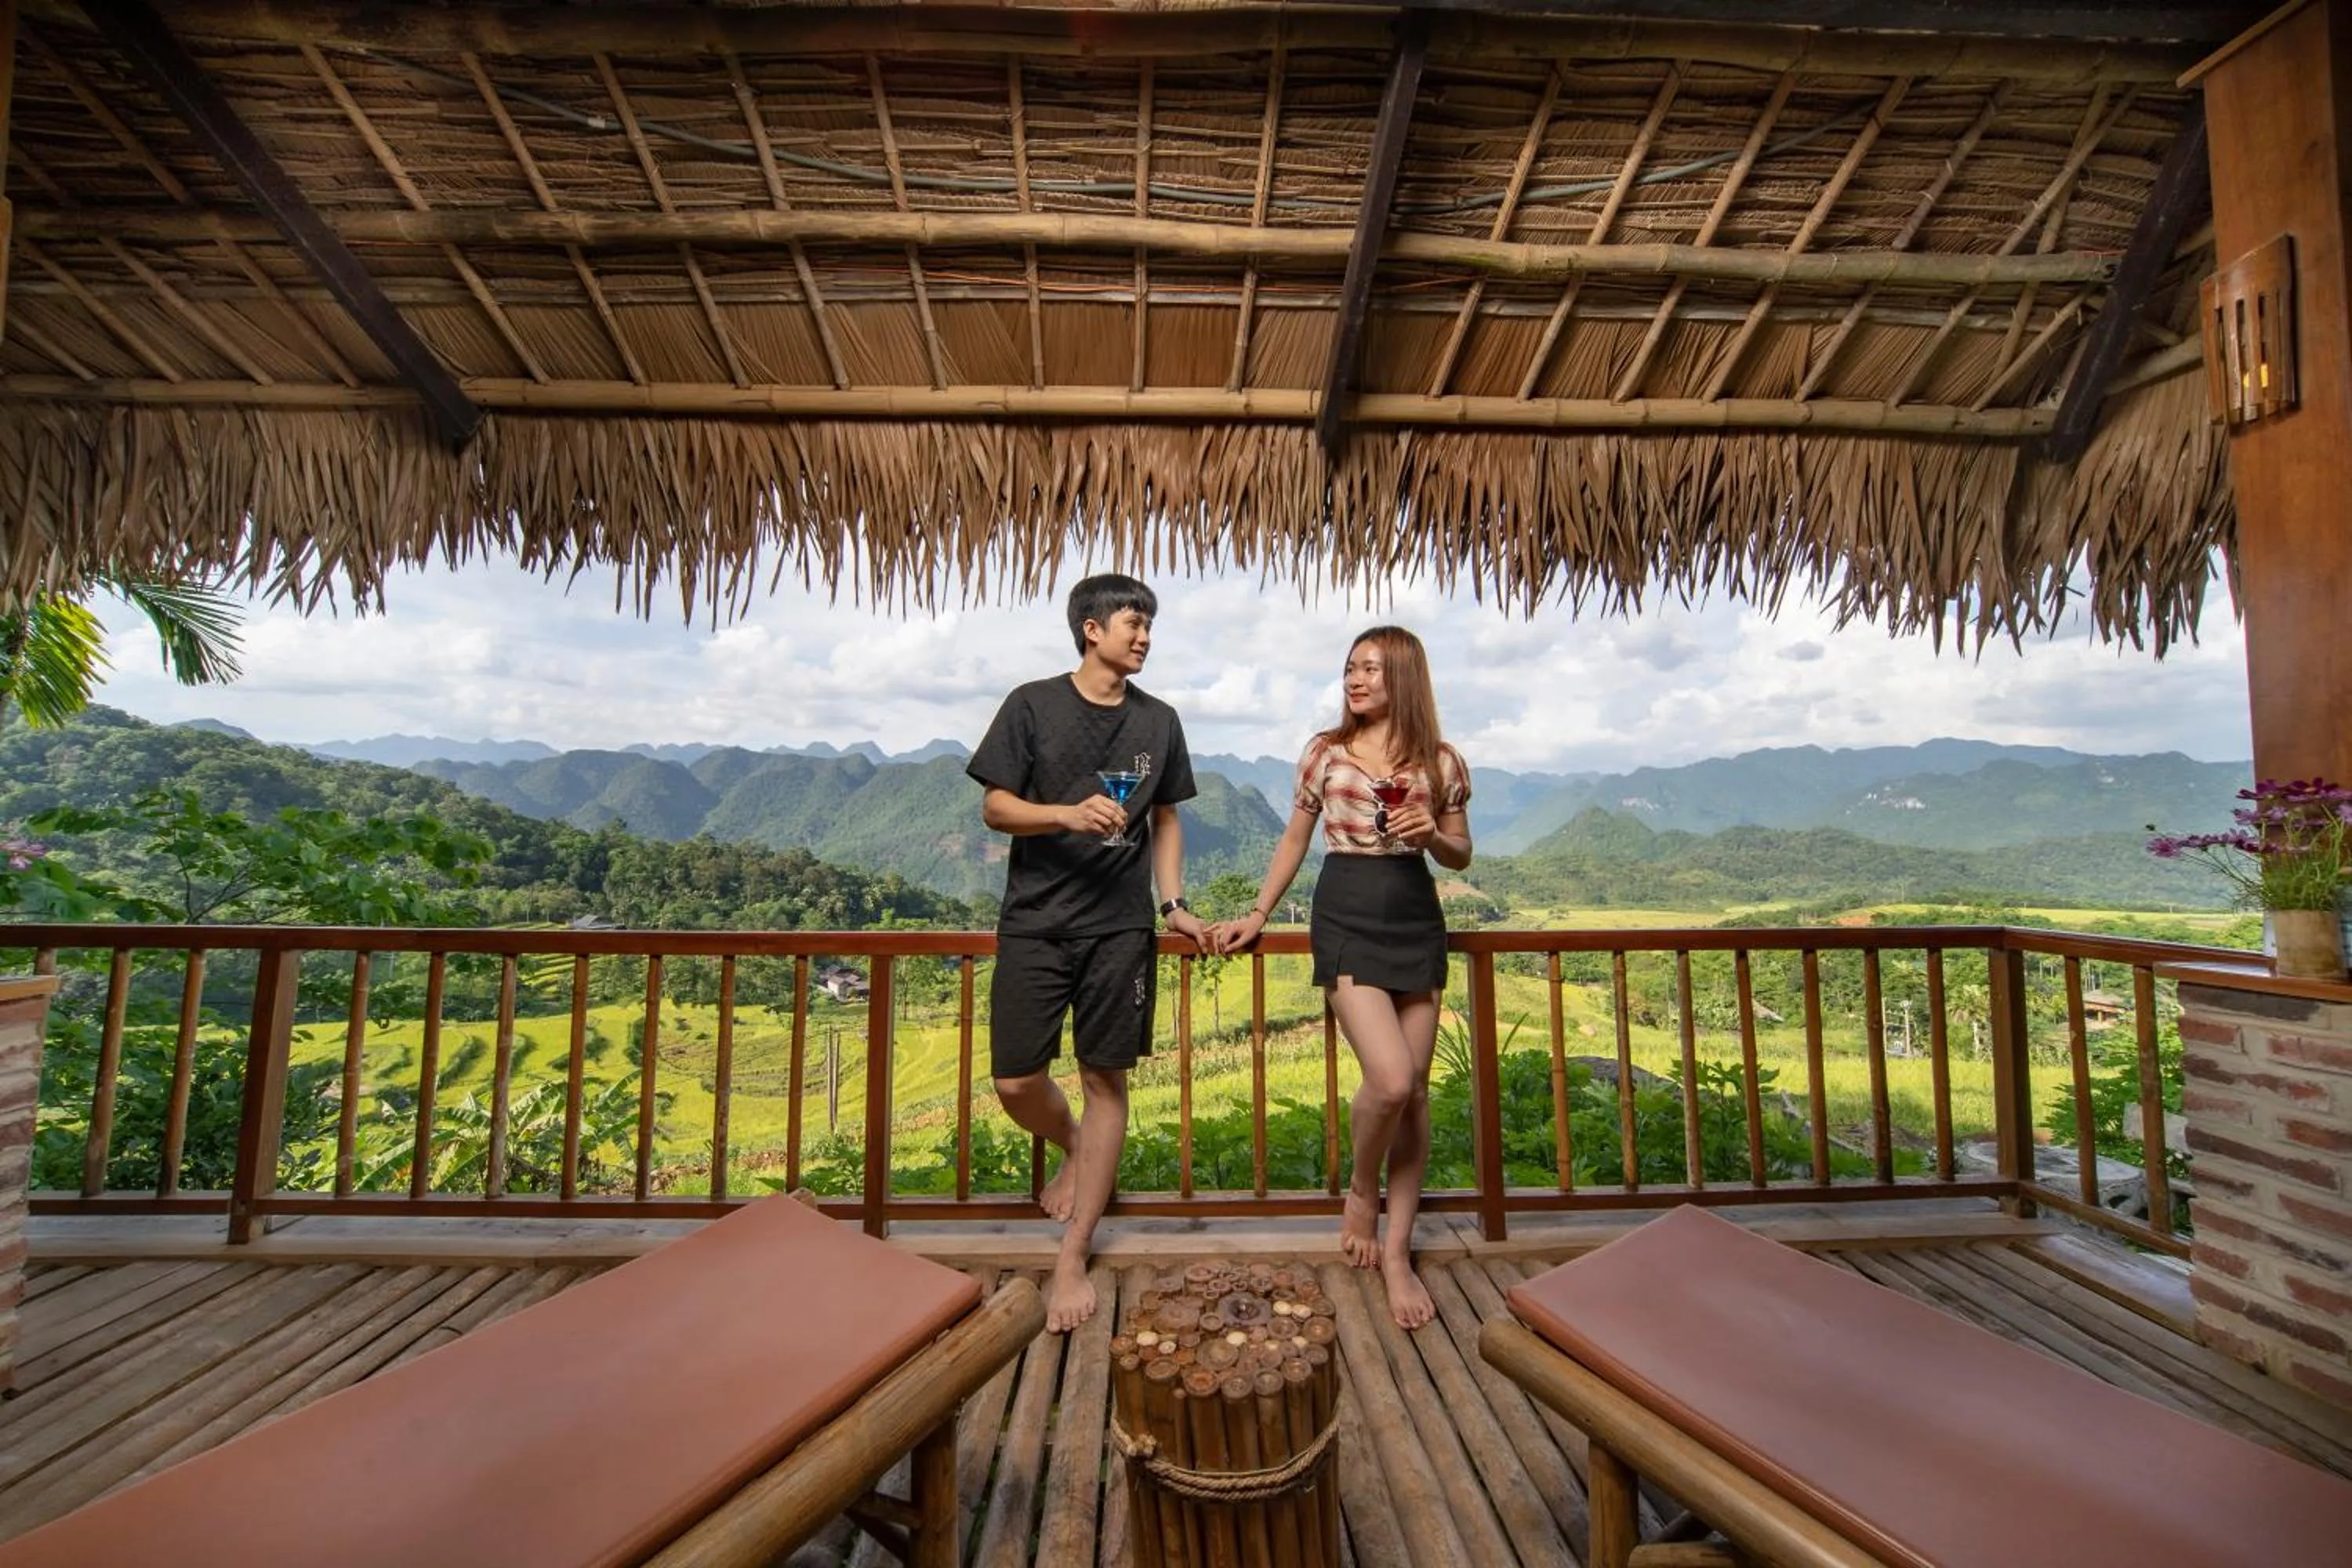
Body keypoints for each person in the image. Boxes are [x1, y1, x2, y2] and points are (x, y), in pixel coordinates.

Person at [967, 573, 1211, 1333]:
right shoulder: (1032, 704)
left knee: (1108, 1080)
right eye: (1133, 623)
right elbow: (995, 805)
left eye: (1149, 626)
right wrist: (1066, 813)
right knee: (1015, 1080)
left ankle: (1074, 1252)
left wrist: (1172, 904)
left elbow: (1165, 818)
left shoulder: (1159, 720)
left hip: (1119, 926)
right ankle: (1075, 1143)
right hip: (1036, 921)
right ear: (1090, 628)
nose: (1144, 636)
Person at [1211, 626, 1472, 1330]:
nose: (1355, 680)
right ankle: (1362, 1188)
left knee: (1415, 1098)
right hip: (1348, 913)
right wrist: (1258, 912)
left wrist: (1432, 837)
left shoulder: (1440, 761)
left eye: (1372, 670)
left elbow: (1460, 854)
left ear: (1404, 680)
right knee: (1389, 1080)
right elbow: (1296, 837)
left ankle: (1395, 1254)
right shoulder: (1324, 753)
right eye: (1351, 668)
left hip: (1414, 916)